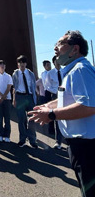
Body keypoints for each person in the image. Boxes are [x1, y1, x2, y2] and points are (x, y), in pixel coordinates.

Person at [28, 30, 95, 197]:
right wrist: (46, 107)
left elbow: (90, 106)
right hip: (79, 145)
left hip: (88, 147)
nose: (55, 48)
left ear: (75, 49)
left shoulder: (80, 70)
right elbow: (68, 99)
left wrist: (52, 114)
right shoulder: (72, 71)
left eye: (60, 44)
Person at [12, 55, 37, 148]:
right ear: (18, 64)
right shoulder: (15, 74)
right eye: (20, 63)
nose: (22, 64)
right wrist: (14, 99)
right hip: (20, 97)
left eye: (23, 62)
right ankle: (22, 139)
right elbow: (14, 87)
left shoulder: (30, 73)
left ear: (26, 63)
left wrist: (34, 97)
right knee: (21, 119)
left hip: (29, 97)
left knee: (32, 119)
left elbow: (33, 86)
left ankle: (32, 140)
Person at [45, 55, 63, 149]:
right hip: (55, 96)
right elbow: (47, 86)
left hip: (66, 96)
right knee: (57, 118)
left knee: (69, 116)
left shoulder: (65, 71)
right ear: (54, 62)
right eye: (57, 60)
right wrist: (56, 91)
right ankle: (58, 142)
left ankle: (70, 141)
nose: (59, 61)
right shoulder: (50, 73)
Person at [0, 60, 13, 142]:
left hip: (7, 99)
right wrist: (1, 97)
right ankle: (0, 134)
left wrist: (3, 97)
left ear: (5, 66)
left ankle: (7, 136)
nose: (2, 66)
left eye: (3, 64)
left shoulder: (8, 76)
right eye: (0, 65)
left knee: (7, 118)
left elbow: (9, 87)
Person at [41, 59, 54, 134]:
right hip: (48, 92)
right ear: (44, 66)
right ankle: (51, 128)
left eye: (50, 65)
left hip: (54, 91)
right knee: (50, 111)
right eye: (48, 65)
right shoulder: (44, 74)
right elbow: (48, 84)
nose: (50, 67)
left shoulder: (53, 72)